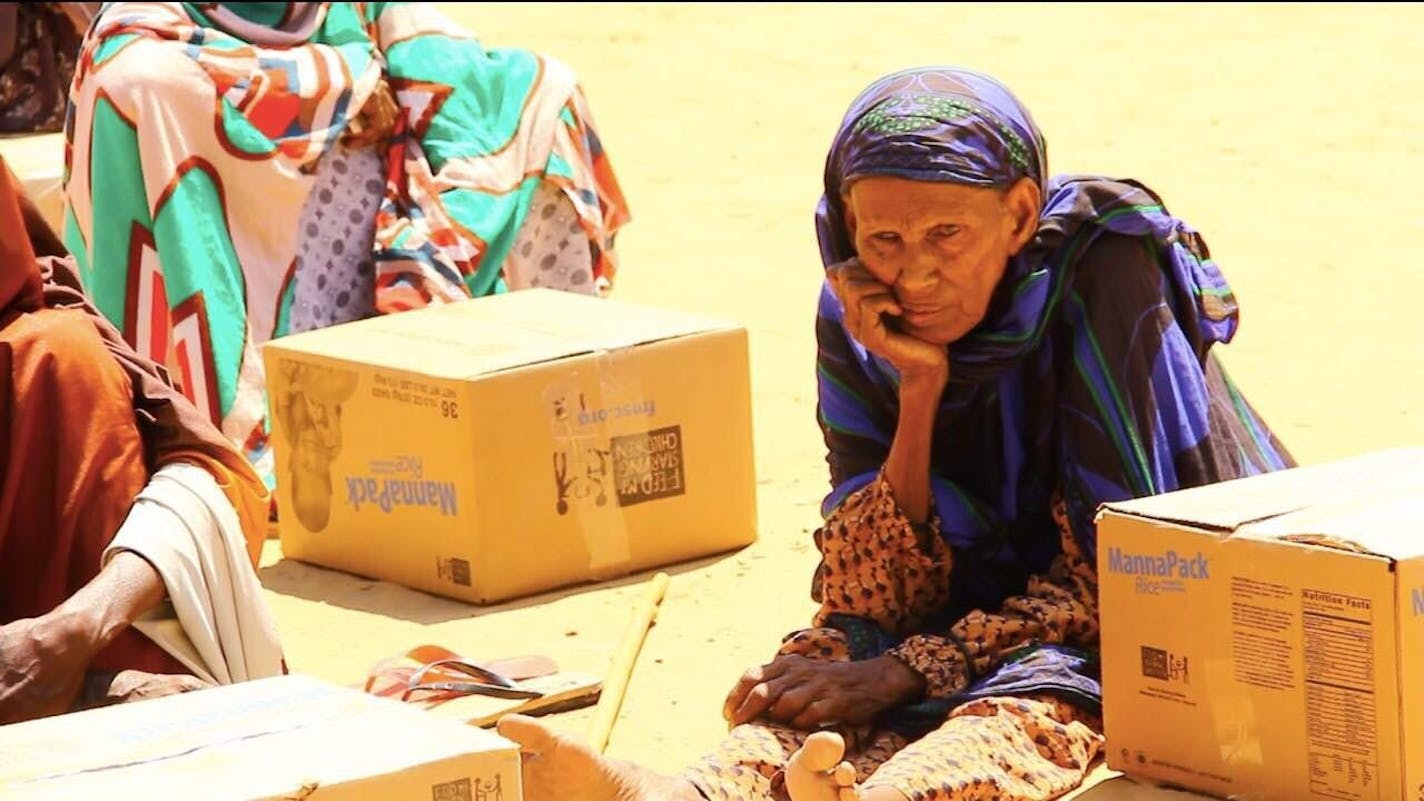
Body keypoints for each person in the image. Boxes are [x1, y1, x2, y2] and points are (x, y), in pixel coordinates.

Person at [495, 66, 1294, 801]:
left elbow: (1133, 576)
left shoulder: (1108, 281)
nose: (914, 274)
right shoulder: (859, 308)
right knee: (822, 666)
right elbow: (872, 591)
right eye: (884, 239)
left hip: (1141, 607)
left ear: (1019, 214)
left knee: (1032, 700)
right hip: (968, 608)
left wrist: (913, 668)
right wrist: (918, 390)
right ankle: (686, 794)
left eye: (947, 235)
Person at [62, 2, 631, 485]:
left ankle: (547, 398)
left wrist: (386, 90)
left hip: (369, 167)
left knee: (540, 91)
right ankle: (221, 431)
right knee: (138, 86)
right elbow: (132, 69)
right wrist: (338, 98)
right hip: (242, 191)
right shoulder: (142, 33)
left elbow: (428, 52)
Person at [0, 155, 283, 724]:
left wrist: (79, 627)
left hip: (54, 659)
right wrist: (94, 692)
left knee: (63, 363)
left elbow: (208, 488)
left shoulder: (42, 350)